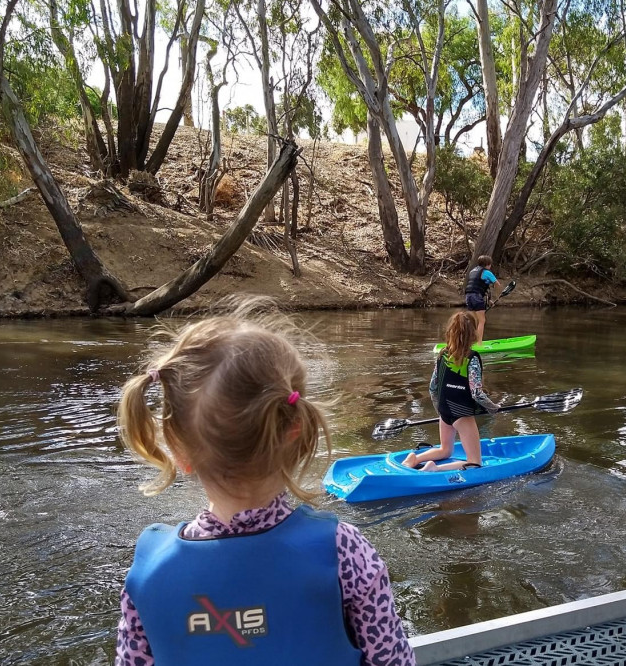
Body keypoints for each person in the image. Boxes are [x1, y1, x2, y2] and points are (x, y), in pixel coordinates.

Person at [114, 304, 414, 666]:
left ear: (178, 451)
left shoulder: (147, 570)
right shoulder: (345, 551)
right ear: (296, 428)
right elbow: (393, 661)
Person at [403, 311, 500, 472]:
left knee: (445, 450)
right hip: (461, 414)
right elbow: (476, 393)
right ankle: (433, 468)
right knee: (475, 463)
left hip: (444, 410)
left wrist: (441, 411)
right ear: (473, 333)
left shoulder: (442, 354)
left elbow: (432, 387)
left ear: (451, 332)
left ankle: (415, 458)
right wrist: (493, 407)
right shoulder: (472, 358)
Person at [463, 255, 501, 343]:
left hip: (468, 297)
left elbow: (480, 286)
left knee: (473, 321)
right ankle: (479, 343)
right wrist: (497, 295)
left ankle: (470, 342)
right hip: (476, 297)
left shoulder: (472, 271)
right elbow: (497, 284)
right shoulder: (487, 272)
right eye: (490, 264)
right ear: (488, 264)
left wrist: (489, 300)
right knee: (482, 321)